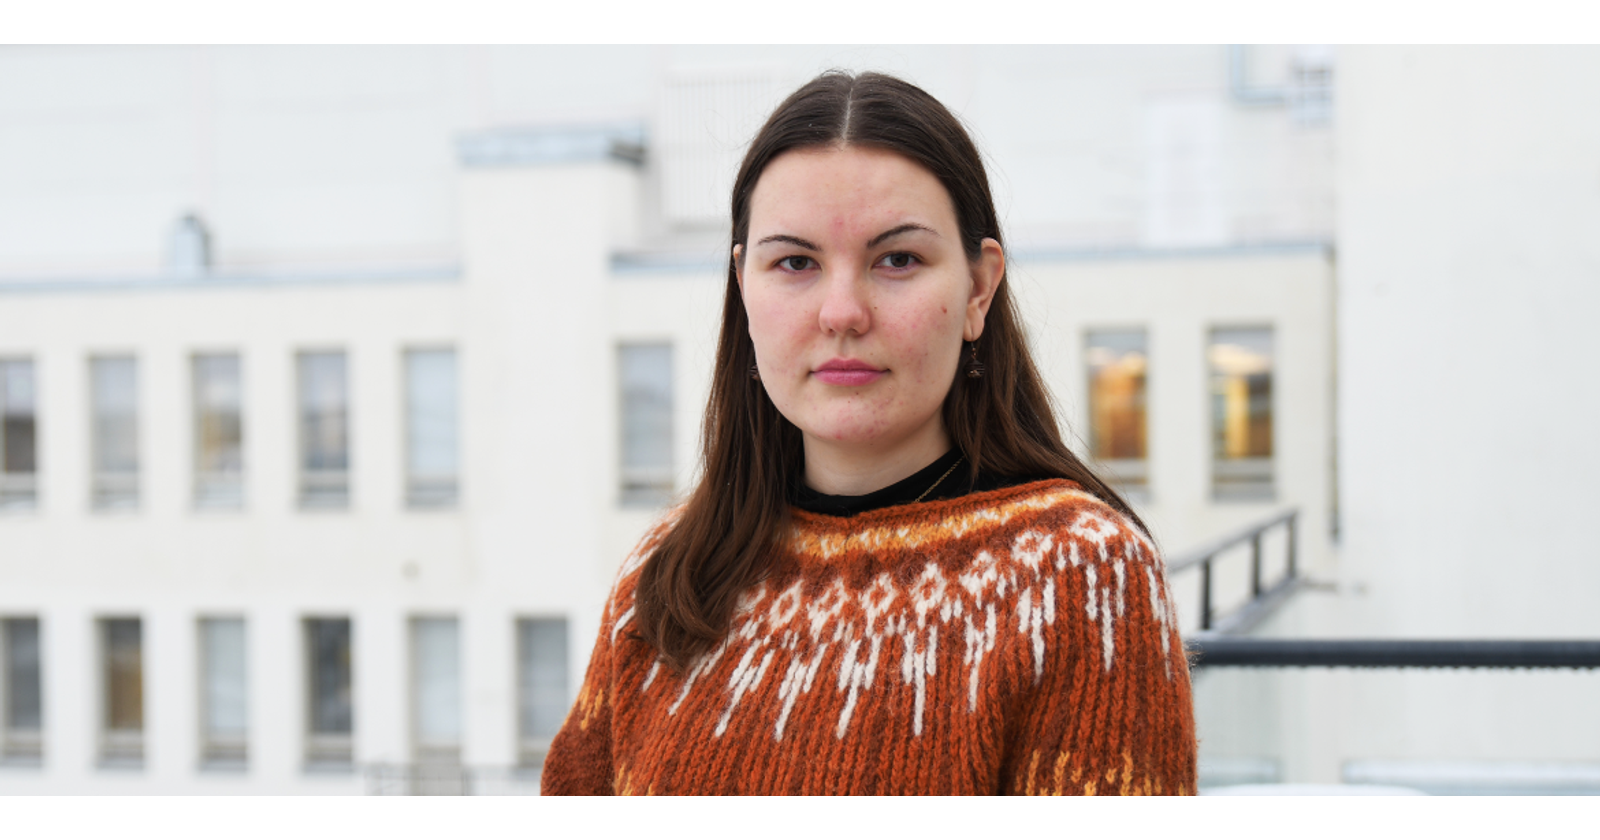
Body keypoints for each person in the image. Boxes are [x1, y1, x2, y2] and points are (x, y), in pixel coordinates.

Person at [542, 70, 1196, 795]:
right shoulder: (662, 578)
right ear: (742, 288)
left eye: (898, 260)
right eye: (795, 262)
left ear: (979, 289)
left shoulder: (1079, 580)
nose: (842, 311)